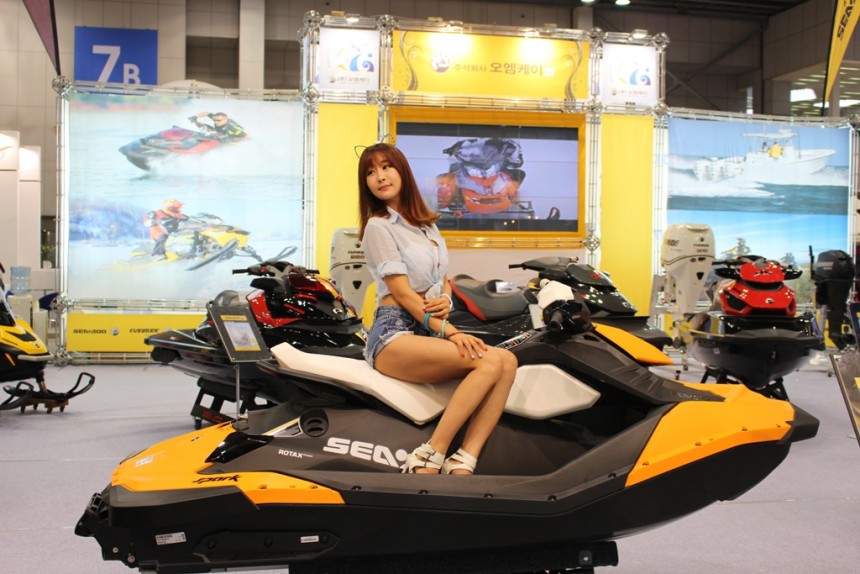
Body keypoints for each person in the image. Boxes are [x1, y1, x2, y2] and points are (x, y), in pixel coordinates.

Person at [358, 143, 518, 475]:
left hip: (426, 327)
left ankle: (465, 459)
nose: (380, 177)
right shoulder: (379, 226)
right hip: (394, 333)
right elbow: (403, 294)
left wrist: (446, 298)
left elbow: (441, 279)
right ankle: (430, 454)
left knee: (507, 360)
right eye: (370, 172)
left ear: (402, 171)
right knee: (489, 360)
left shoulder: (427, 226)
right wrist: (451, 331)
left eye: (386, 167)